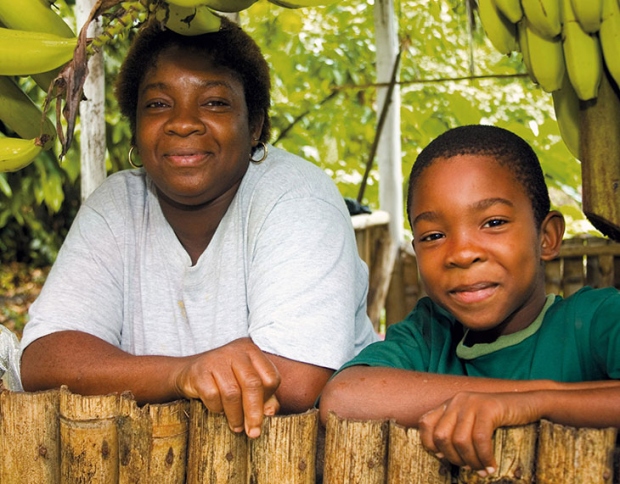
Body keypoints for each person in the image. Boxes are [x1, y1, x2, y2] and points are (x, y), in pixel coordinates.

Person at [20, 16, 378, 439]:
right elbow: (43, 359)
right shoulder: (118, 204)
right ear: (135, 126)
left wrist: (150, 375)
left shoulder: (297, 196)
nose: (183, 122)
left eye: (214, 103)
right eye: (157, 104)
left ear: (256, 124)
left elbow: (296, 378)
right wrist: (180, 374)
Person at [319, 125, 620, 477]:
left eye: (493, 222)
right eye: (433, 235)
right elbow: (344, 398)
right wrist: (537, 395)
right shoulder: (431, 333)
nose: (461, 253)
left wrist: (534, 404)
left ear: (547, 237)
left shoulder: (598, 319)